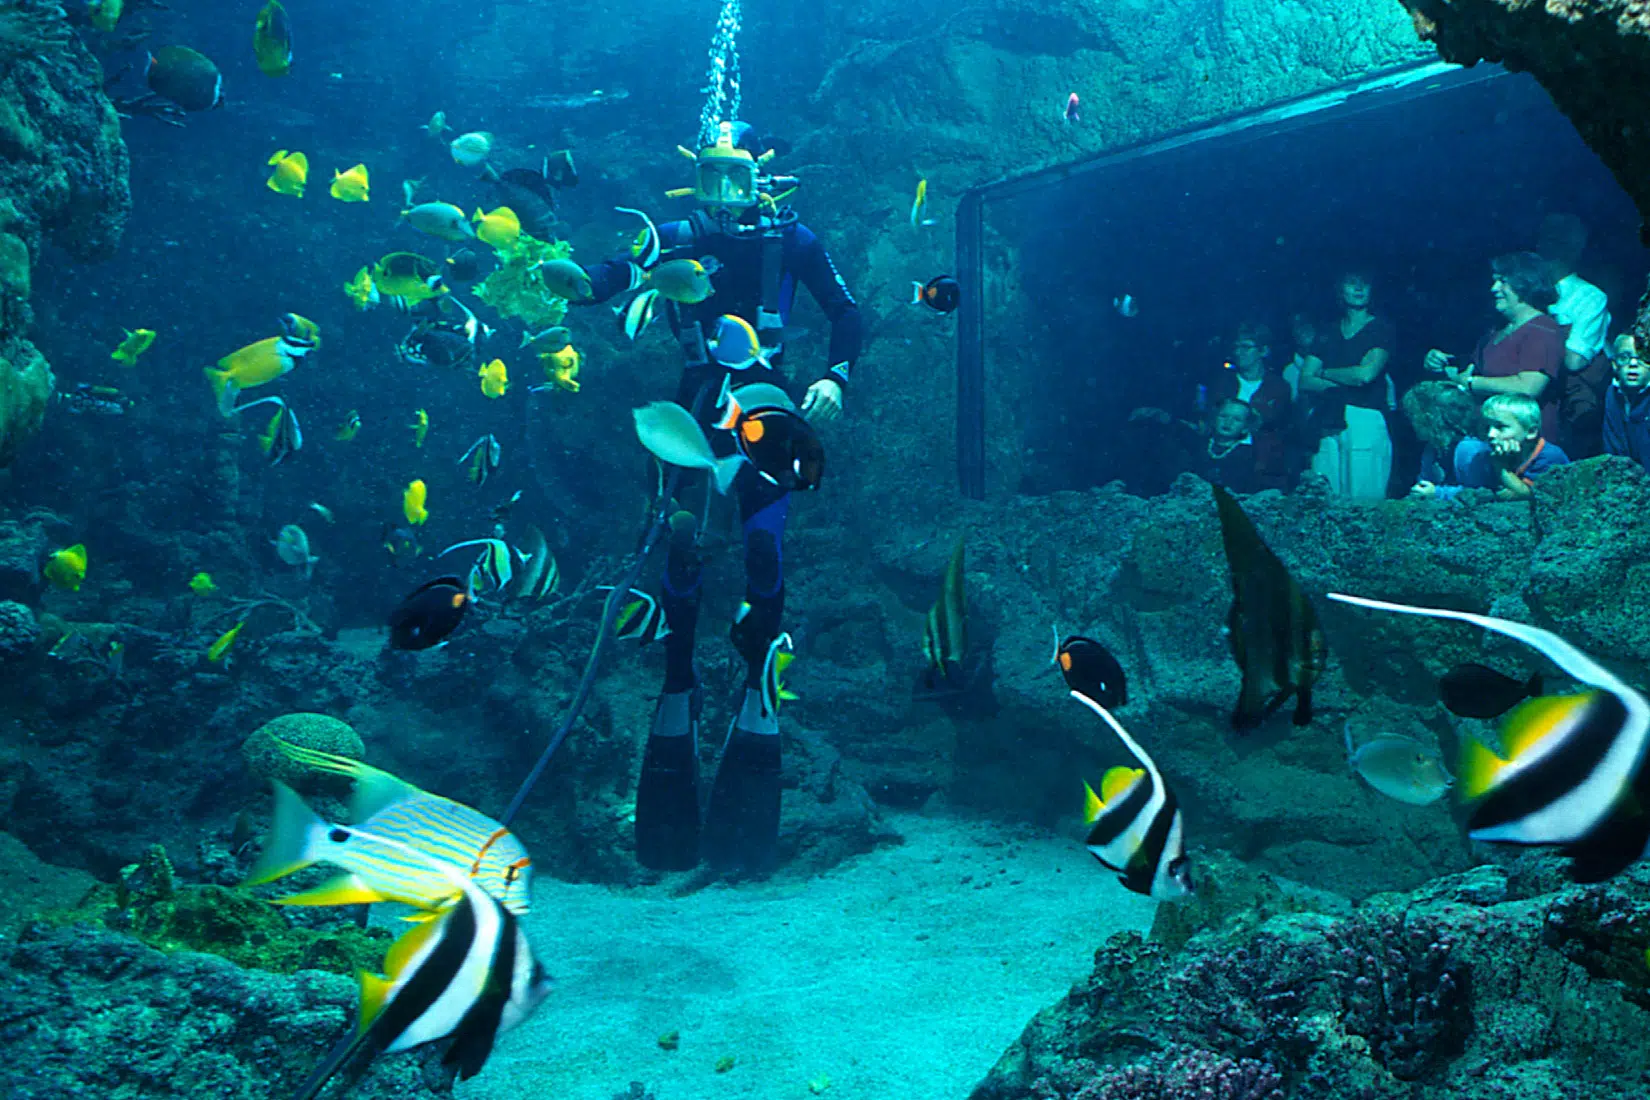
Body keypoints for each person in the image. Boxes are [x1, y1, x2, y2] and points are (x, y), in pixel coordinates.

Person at [578, 120, 863, 873]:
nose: (726, 193)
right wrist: (576, 283)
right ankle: (679, 680)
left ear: (762, 175)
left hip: (768, 406)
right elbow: (616, 270)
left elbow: (847, 311)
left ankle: (758, 678)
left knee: (764, 546)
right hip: (696, 408)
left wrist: (836, 377)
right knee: (681, 544)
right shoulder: (675, 238)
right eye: (712, 177)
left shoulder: (793, 240)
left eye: (737, 175)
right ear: (695, 177)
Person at [1424, 252, 1564, 442]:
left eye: (1503, 281)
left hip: (1525, 445)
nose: (1494, 288)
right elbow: (1471, 370)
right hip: (1491, 438)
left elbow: (1529, 386)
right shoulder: (1497, 330)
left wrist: (1473, 383)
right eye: (1495, 281)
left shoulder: (1542, 330)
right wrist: (1440, 364)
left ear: (1525, 283)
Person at [1297, 272, 1396, 499]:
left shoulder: (1380, 329)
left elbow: (1364, 375)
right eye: (1352, 283)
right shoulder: (1327, 331)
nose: (1359, 289)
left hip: (1365, 416)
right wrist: (1342, 381)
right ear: (1340, 290)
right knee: (1325, 496)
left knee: (1364, 499)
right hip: (1327, 418)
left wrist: (1324, 373)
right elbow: (1305, 380)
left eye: (1365, 283)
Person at [1538, 213, 1612, 457]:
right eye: (1546, 238)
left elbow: (1575, 360)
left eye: (1559, 240)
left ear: (1577, 247)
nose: (1549, 247)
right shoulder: (1526, 293)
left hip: (1568, 405)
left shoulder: (1590, 297)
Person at [1411, 393, 1568, 501]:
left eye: (1500, 427)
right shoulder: (1491, 453)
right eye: (1487, 427)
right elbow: (1482, 492)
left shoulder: (1549, 457)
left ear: (1531, 432)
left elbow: (1527, 496)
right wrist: (1437, 492)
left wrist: (1501, 467)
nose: (1491, 434)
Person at [1402, 380, 1482, 497]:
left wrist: (1437, 492)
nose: (1410, 423)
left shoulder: (1468, 449)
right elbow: (1425, 479)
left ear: (1429, 418)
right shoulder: (1432, 448)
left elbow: (1478, 492)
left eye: (1413, 416)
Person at [1188, 397, 1264, 493]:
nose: (1228, 422)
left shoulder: (1247, 454)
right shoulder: (1198, 445)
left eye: (1237, 419)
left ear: (1245, 428)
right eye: (1223, 416)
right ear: (1214, 418)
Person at [1602, 332, 1650, 474]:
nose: (1633, 364)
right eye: (1624, 357)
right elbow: (1611, 446)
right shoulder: (1612, 394)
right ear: (1614, 364)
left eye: (1643, 357)